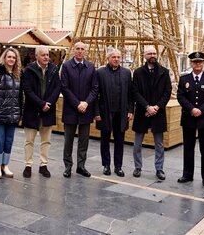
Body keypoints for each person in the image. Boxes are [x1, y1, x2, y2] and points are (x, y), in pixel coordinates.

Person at [176, 52, 204, 188]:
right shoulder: (184, 79)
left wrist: (201, 109)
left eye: (200, 62)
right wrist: (192, 109)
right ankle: (187, 174)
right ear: (191, 64)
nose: (197, 64)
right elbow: (181, 97)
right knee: (188, 148)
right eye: (195, 62)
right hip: (189, 117)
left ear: (203, 63)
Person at [131, 46, 172, 180]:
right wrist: (147, 107)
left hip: (158, 112)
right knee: (137, 143)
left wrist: (157, 107)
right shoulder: (138, 72)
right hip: (142, 112)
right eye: (150, 53)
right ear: (144, 55)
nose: (152, 55)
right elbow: (135, 92)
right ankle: (137, 167)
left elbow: (167, 92)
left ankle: (159, 169)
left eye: (154, 53)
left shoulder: (164, 72)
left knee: (159, 144)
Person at [21, 45, 61, 178]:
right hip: (32, 110)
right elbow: (28, 90)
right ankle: (28, 165)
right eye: (43, 55)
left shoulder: (54, 70)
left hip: (48, 111)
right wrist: (41, 103)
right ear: (36, 56)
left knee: (46, 141)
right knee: (29, 140)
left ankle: (43, 165)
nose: (46, 57)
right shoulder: (28, 71)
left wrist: (48, 103)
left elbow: (57, 88)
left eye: (47, 55)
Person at [60, 42, 98, 178]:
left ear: (86, 51)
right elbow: (64, 88)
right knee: (68, 140)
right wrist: (77, 104)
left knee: (84, 141)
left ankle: (81, 166)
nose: (80, 51)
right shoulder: (66, 66)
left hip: (86, 111)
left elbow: (95, 89)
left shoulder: (91, 67)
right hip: (71, 110)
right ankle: (68, 166)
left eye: (83, 49)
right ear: (74, 51)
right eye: (78, 49)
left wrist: (86, 103)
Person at [95, 48, 133, 177]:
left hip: (121, 113)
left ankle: (118, 166)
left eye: (118, 57)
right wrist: (96, 112)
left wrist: (130, 111)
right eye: (114, 57)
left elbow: (130, 94)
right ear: (108, 58)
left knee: (120, 140)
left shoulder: (126, 73)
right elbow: (96, 94)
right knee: (104, 139)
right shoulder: (100, 73)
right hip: (105, 113)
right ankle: (106, 165)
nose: (116, 59)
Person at [0, 48, 22, 179]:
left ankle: (5, 165)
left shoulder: (18, 74)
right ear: (4, 58)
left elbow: (19, 96)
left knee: (9, 141)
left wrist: (19, 113)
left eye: (14, 57)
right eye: (9, 57)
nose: (11, 59)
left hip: (12, 114)